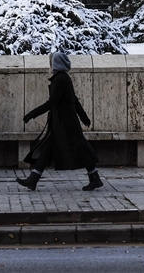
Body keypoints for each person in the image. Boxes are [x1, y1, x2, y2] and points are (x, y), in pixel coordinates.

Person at [16, 52, 103, 191]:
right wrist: (83, 117)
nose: (50, 65)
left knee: (80, 148)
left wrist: (32, 114)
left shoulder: (61, 79)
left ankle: (95, 178)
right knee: (49, 149)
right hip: (62, 122)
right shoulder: (63, 78)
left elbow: (52, 102)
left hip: (65, 123)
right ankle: (33, 180)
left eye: (52, 62)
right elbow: (74, 99)